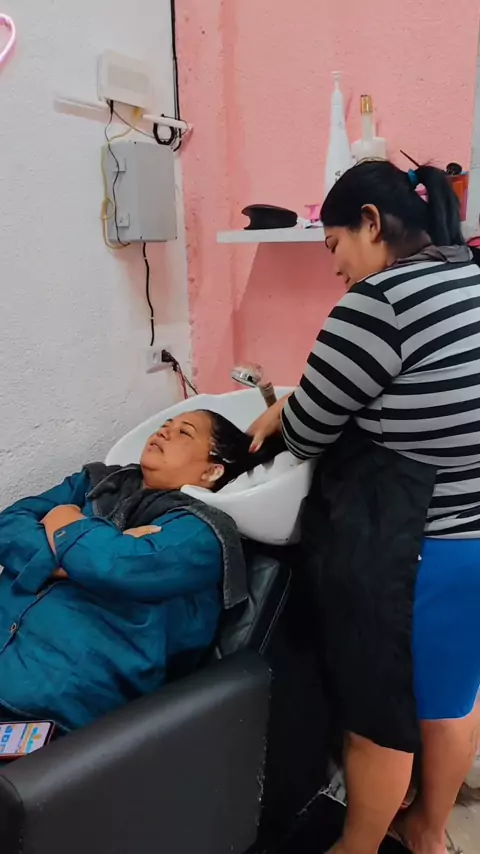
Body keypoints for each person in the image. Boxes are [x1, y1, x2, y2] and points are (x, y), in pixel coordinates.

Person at [249, 160, 480, 854]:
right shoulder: (468, 276)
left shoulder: (379, 303)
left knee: (378, 720)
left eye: (335, 246)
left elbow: (309, 432)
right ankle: (428, 832)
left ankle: (357, 848)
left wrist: (286, 408)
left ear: (371, 224)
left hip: (418, 546)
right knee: (451, 700)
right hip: (472, 537)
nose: (336, 268)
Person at [0, 410, 273, 733]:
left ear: (212, 470)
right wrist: (76, 556)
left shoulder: (202, 533)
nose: (165, 432)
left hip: (44, 706)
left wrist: (61, 517)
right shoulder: (97, 483)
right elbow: (9, 525)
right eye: (165, 426)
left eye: (184, 432)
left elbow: (114, 567)